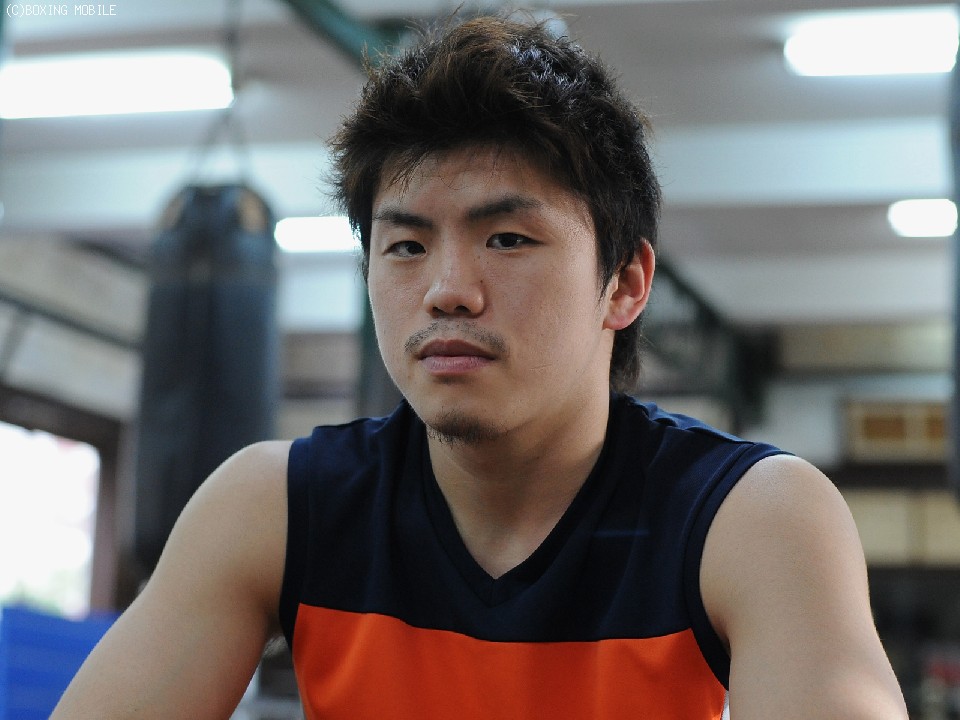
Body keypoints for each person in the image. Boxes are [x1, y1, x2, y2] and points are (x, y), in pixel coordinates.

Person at [52, 13, 908, 720]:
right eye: (406, 246)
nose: (447, 291)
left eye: (507, 238)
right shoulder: (273, 507)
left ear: (624, 283)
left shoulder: (751, 519)